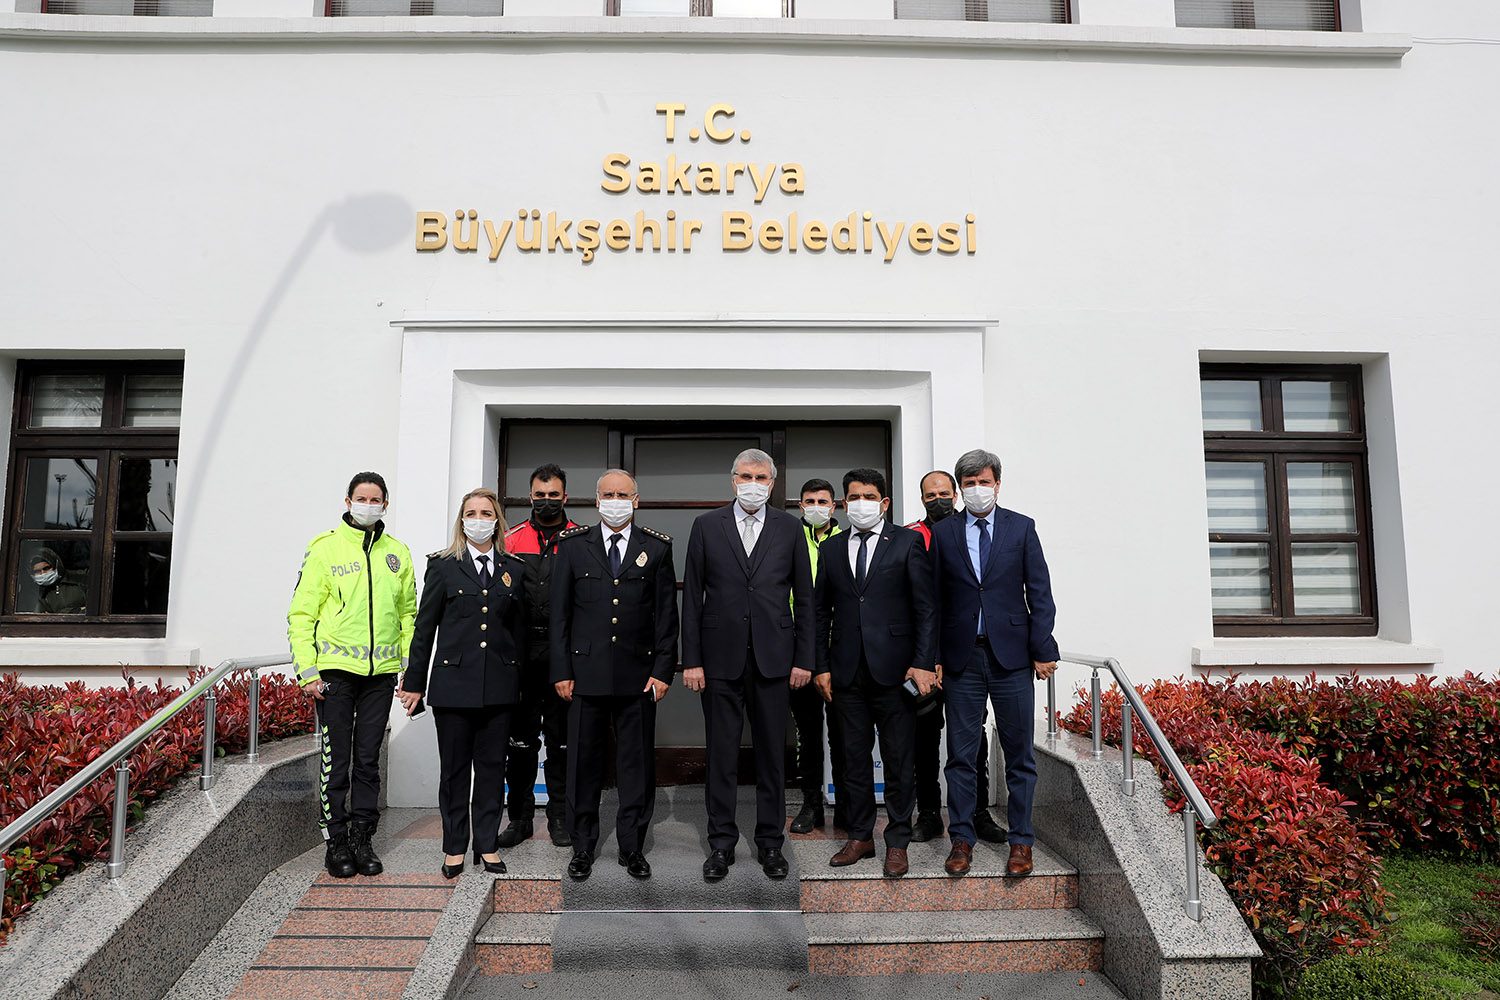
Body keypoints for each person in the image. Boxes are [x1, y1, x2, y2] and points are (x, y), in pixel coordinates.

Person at [682, 448, 814, 882]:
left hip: (776, 659)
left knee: (772, 757)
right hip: (719, 659)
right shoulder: (705, 526)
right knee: (721, 755)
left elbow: (806, 600)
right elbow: (693, 599)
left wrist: (804, 658)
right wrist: (692, 661)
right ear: (732, 480)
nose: (753, 482)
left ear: (772, 484)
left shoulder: (789, 528)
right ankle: (721, 844)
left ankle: (770, 844)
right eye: (745, 475)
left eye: (761, 476)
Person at [929, 450, 1059, 877]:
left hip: (1012, 658)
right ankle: (961, 839)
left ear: (997, 484)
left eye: (983, 481)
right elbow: (933, 601)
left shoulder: (1022, 528)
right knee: (961, 756)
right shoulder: (945, 533)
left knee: (1019, 755)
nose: (976, 489)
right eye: (968, 483)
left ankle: (1021, 842)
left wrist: (1043, 647)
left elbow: (1039, 592)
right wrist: (931, 659)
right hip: (961, 659)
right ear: (960, 487)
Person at [550, 470, 679, 882]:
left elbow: (666, 618)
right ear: (596, 499)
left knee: (635, 766)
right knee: (583, 766)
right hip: (583, 675)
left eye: (623, 494)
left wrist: (662, 671)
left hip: (637, 675)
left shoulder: (656, 548)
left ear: (636, 501)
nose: (616, 500)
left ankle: (632, 847)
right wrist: (561, 670)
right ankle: (583, 845)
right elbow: (560, 618)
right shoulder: (571, 547)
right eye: (608, 494)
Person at [287, 472, 417, 879]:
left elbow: (409, 616)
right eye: (361, 497)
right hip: (335, 675)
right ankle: (336, 841)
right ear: (348, 501)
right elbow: (301, 614)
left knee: (367, 761)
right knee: (335, 759)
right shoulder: (325, 548)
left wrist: (409, 670)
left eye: (375, 499)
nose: (368, 504)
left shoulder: (397, 553)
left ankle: (363, 837)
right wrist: (307, 671)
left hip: (380, 675)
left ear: (385, 505)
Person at [812, 469, 937, 879]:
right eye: (853, 496)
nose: (860, 503)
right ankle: (861, 835)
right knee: (852, 760)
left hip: (896, 671)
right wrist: (822, 666)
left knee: (900, 760)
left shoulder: (907, 541)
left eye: (869, 495)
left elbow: (925, 609)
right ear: (843, 504)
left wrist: (922, 662)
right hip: (846, 672)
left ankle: (897, 841)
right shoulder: (831, 549)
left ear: (884, 503)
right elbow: (819, 612)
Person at [399, 487, 528, 878]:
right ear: (461, 520)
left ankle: (486, 845)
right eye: (471, 512)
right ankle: (455, 847)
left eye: (486, 513)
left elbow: (518, 635)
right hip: (453, 686)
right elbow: (424, 630)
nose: (478, 519)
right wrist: (415, 683)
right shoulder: (442, 566)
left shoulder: (514, 567)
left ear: (497, 520)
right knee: (455, 772)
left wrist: (520, 685)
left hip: (499, 688)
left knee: (491, 770)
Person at [904, 470, 1006, 846]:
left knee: (971, 739)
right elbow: (912, 603)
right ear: (922, 499)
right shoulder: (911, 536)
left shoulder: (975, 532)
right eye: (930, 495)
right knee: (924, 738)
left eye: (944, 493)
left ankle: (978, 811)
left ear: (956, 494)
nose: (938, 500)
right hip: (924, 659)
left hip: (966, 658)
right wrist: (924, 659)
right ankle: (929, 813)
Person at [499, 464, 580, 848]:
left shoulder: (581, 540)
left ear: (565, 497)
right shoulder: (511, 540)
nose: (546, 501)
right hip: (521, 655)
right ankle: (520, 819)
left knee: (563, 741)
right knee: (520, 742)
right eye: (539, 494)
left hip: (565, 654)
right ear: (529, 495)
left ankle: (561, 817)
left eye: (553, 495)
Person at [789, 478, 847, 835]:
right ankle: (811, 804)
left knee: (843, 733)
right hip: (798, 650)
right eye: (809, 501)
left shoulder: (848, 540)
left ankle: (845, 804)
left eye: (822, 501)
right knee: (807, 733)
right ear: (800, 506)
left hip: (840, 650)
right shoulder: (788, 539)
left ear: (835, 505)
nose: (815, 506)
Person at [26, 548, 86, 614]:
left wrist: (72, 611)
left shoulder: (78, 579)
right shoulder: (39, 593)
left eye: (46, 568)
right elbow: (41, 617)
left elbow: (94, 608)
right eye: (37, 571)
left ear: (56, 565)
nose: (42, 573)